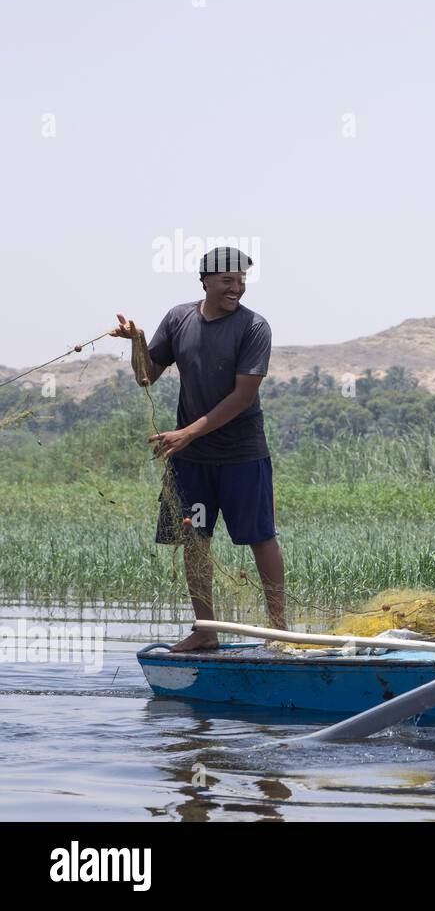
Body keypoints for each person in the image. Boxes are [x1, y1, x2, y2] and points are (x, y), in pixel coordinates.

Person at [110, 246, 285, 652]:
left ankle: (279, 631)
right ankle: (206, 630)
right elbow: (145, 377)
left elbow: (243, 397)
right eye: (228, 280)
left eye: (242, 280)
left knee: (261, 537)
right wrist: (137, 341)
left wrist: (187, 432)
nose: (237, 287)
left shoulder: (255, 328)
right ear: (205, 280)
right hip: (191, 462)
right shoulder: (178, 318)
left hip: (242, 454)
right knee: (195, 538)